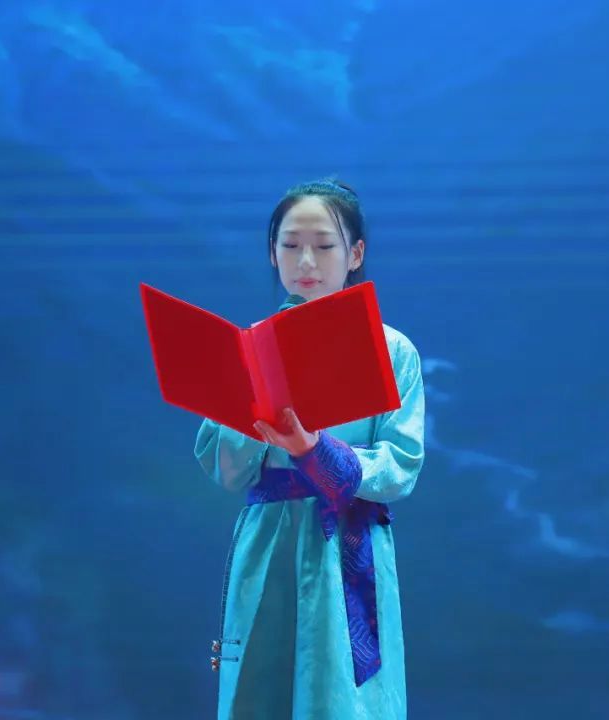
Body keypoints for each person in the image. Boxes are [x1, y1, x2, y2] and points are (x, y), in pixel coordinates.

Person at [194, 178, 425, 719]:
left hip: (346, 540)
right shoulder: (249, 348)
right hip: (269, 542)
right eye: (290, 245)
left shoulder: (392, 350)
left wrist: (317, 452)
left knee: (343, 697)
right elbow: (227, 471)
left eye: (323, 246)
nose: (306, 262)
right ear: (271, 254)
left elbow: (401, 465)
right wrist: (255, 411)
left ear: (355, 254)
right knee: (260, 689)